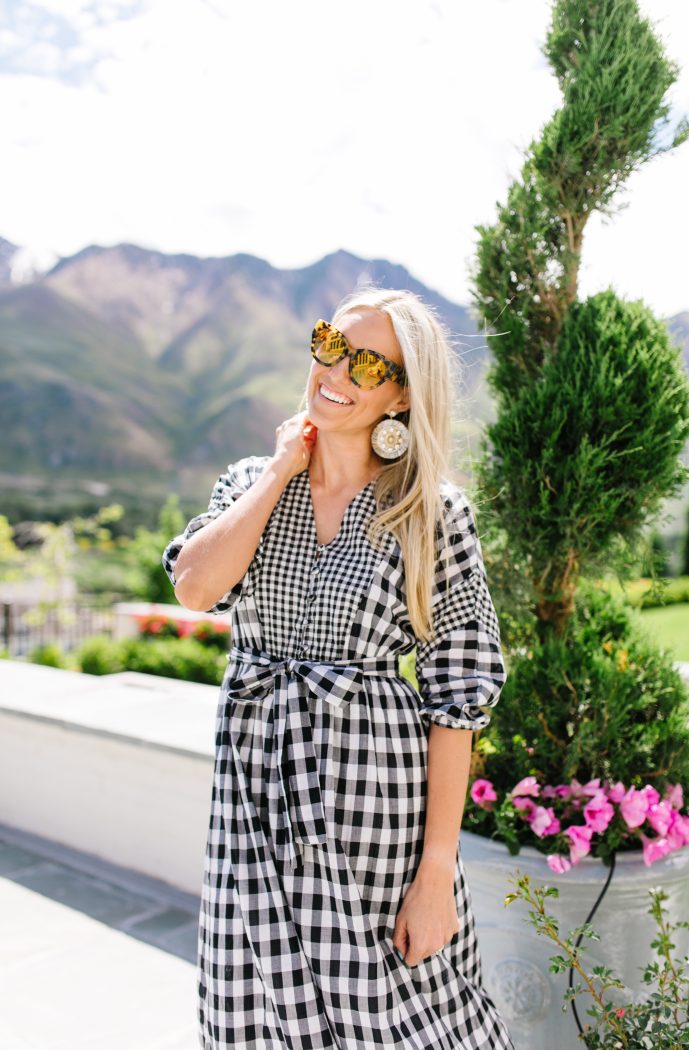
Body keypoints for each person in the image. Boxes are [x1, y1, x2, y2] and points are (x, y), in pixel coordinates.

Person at [162, 286, 514, 1050]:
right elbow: (195, 586)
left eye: (365, 362)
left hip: (375, 818)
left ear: (399, 394)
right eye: (330, 343)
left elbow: (459, 699)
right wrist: (280, 470)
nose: (336, 370)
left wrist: (436, 875)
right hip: (253, 806)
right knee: (252, 1015)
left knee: (394, 1023)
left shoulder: (431, 513)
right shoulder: (253, 480)